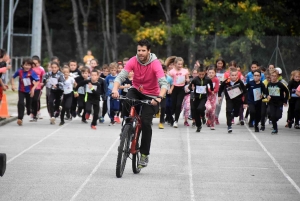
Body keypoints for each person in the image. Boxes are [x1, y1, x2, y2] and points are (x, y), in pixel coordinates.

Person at [111, 39, 168, 168]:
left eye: (143, 50)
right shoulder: (133, 60)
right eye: (139, 50)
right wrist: (115, 89)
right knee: (126, 101)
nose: (140, 53)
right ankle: (128, 128)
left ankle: (144, 155)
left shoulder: (155, 64)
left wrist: (159, 98)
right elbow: (120, 77)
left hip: (152, 95)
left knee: (146, 122)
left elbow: (164, 83)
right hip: (136, 89)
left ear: (149, 51)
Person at [11, 58, 40, 125]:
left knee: (28, 105)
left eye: (29, 65)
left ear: (31, 66)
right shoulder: (19, 71)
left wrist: (33, 89)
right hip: (21, 90)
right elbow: (13, 77)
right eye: (26, 65)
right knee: (20, 103)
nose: (27, 67)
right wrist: (13, 85)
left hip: (29, 91)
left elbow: (37, 81)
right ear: (23, 65)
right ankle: (20, 118)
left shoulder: (32, 72)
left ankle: (29, 109)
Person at [218, 68, 247, 133]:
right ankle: (229, 126)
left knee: (236, 114)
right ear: (230, 75)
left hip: (238, 100)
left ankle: (232, 115)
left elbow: (245, 92)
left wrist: (245, 102)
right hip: (229, 99)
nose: (234, 77)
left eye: (235, 75)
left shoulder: (240, 82)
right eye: (232, 75)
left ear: (237, 75)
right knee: (228, 110)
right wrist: (219, 96)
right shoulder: (226, 81)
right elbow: (221, 88)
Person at [189, 67, 213, 132]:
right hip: (196, 97)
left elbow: (211, 84)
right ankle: (198, 126)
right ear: (198, 74)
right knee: (196, 112)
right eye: (200, 74)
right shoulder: (195, 80)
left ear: (205, 73)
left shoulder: (207, 79)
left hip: (203, 97)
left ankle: (203, 116)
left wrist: (212, 90)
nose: (201, 76)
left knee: (200, 108)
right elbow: (190, 86)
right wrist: (192, 89)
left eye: (203, 74)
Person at [266, 70, 289, 134]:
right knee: (273, 115)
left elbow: (287, 92)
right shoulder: (269, 84)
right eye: (272, 76)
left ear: (278, 77)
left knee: (278, 116)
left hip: (279, 103)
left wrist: (285, 100)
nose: (273, 77)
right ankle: (275, 128)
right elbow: (266, 92)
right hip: (272, 103)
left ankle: (274, 121)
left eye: (275, 76)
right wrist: (267, 96)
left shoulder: (280, 84)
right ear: (270, 76)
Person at [169, 57, 190, 128]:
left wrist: (186, 79)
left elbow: (187, 79)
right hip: (174, 88)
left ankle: (176, 121)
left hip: (181, 89)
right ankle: (172, 115)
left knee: (179, 104)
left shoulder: (185, 71)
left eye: (181, 64)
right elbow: (169, 81)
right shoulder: (172, 72)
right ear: (175, 64)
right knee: (173, 104)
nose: (180, 66)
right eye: (178, 64)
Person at [31, 57, 45, 121]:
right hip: (30, 88)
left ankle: (35, 114)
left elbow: (43, 77)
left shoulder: (41, 70)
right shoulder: (29, 69)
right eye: (33, 63)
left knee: (36, 100)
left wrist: (42, 83)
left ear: (39, 63)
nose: (35, 64)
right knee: (30, 101)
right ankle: (32, 111)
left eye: (36, 63)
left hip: (38, 88)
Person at [205, 66, 220, 130]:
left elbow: (217, 88)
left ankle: (212, 123)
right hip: (207, 96)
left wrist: (214, 91)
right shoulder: (206, 79)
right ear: (207, 73)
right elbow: (206, 88)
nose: (211, 74)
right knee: (208, 108)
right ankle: (208, 116)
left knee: (213, 111)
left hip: (213, 97)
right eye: (210, 73)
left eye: (212, 73)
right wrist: (211, 91)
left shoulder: (216, 79)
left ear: (215, 73)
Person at [215, 57, 226, 125]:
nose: (219, 65)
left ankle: (216, 117)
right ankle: (210, 116)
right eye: (218, 63)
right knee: (212, 104)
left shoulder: (225, 72)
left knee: (218, 104)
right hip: (213, 89)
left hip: (221, 89)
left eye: (221, 63)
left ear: (223, 64)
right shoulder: (213, 70)